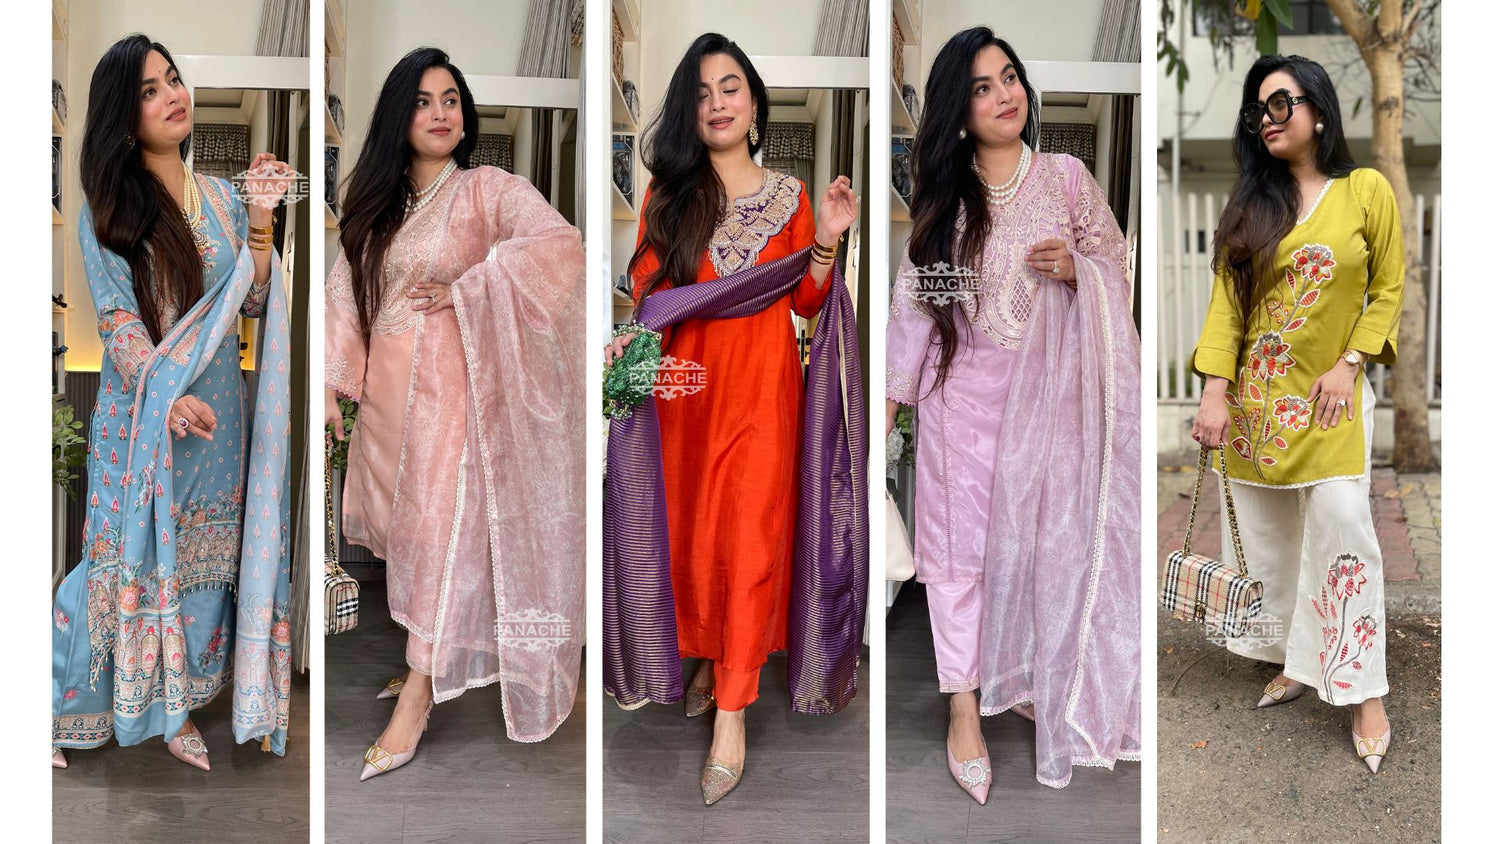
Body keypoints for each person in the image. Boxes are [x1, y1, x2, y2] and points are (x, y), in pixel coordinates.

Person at [601, 32, 861, 805]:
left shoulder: (792, 196)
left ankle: (733, 713)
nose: (717, 103)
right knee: (692, 541)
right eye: (702, 92)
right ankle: (712, 661)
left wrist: (826, 240)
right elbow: (650, 294)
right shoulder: (669, 194)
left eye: (730, 87)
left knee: (748, 542)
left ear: (753, 103)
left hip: (761, 393)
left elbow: (807, 302)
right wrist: (630, 349)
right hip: (683, 396)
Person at [885, 27, 1142, 794]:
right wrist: (884, 418)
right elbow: (918, 309)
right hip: (960, 405)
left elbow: (1116, 266)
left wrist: (1077, 270)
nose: (1005, 95)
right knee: (958, 559)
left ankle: (1026, 674)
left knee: (1041, 551)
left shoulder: (1066, 179)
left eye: (1009, 78)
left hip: (1051, 409)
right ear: (958, 113)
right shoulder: (946, 203)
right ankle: (963, 706)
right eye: (982, 87)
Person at [324, 47, 586, 782]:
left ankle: (416, 696)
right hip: (386, 405)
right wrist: (333, 388)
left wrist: (472, 285)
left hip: (451, 400)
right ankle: (427, 659)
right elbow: (346, 295)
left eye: (450, 100)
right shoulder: (376, 208)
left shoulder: (486, 190)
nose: (440, 113)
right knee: (407, 537)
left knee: (439, 540)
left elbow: (558, 246)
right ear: (398, 117)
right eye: (423, 101)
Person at [52, 34, 295, 770]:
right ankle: (57, 708)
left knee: (199, 568)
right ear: (124, 118)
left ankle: (176, 711)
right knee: (118, 566)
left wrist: (262, 216)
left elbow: (253, 302)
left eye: (173, 79)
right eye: (150, 90)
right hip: (144, 424)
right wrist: (165, 401)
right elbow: (117, 322)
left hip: (219, 422)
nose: (172, 96)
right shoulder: (110, 209)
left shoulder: (221, 198)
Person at [1190, 54, 1402, 774]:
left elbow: (1388, 288)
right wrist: (1214, 393)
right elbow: (1228, 310)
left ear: (1318, 108)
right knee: (1271, 542)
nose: (1268, 118)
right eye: (1258, 110)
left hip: (1330, 400)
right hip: (1256, 410)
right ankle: (1296, 661)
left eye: (1280, 102)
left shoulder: (1365, 191)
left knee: (1343, 526)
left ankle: (1363, 689)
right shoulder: (1252, 206)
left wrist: (1351, 363)